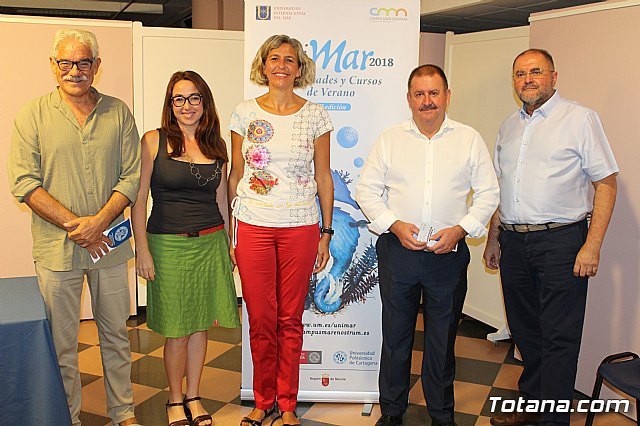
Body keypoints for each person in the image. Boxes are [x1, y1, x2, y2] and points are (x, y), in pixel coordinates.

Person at [7, 28, 141, 426]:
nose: (74, 70)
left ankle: (123, 412)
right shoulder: (32, 115)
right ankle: (67, 417)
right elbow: (24, 182)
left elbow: (132, 177)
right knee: (60, 344)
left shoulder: (118, 113)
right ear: (53, 65)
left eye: (83, 62)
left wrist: (99, 223)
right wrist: (76, 225)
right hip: (56, 249)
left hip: (109, 247)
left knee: (116, 337)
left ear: (96, 65)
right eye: (65, 62)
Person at [356, 64, 500, 426]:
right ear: (408, 99)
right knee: (396, 338)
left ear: (447, 96)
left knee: (442, 340)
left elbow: (489, 193)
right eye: (419, 94)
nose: (427, 101)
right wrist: (393, 224)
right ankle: (392, 412)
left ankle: (441, 415)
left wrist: (461, 230)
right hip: (398, 253)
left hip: (448, 256)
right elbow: (366, 190)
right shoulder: (390, 139)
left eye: (434, 93)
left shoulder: (468, 139)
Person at [483, 49, 618, 426]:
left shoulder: (580, 119)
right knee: (525, 333)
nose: (527, 79)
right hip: (514, 243)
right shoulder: (508, 127)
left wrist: (592, 245)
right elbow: (502, 188)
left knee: (559, 338)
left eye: (535, 71)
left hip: (562, 243)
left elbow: (606, 183)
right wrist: (494, 237)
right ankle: (532, 407)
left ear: (553, 77)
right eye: (520, 73)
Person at [227, 34, 334, 426]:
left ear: (299, 68)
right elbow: (235, 175)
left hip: (300, 228)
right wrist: (232, 233)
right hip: (253, 226)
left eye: (290, 59)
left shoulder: (316, 115)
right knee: (260, 318)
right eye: (274, 58)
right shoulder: (243, 113)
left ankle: (287, 404)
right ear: (263, 65)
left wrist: (326, 232)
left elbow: (324, 176)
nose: (282, 66)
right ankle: (263, 400)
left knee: (290, 319)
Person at [131, 70, 241, 426]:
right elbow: (138, 200)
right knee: (177, 328)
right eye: (178, 98)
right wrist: (142, 250)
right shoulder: (153, 141)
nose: (187, 105)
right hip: (168, 246)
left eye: (194, 97)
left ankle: (194, 395)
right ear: (170, 104)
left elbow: (222, 200)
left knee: (200, 325)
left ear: (204, 101)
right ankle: (175, 399)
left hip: (210, 243)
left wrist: (230, 243)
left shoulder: (216, 145)